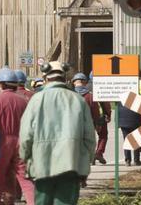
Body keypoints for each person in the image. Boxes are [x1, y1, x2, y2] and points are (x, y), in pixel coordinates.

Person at [19, 62, 95, 205]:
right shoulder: (78, 101)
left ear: (46, 78)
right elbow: (89, 137)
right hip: (71, 165)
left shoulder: (36, 100)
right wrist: (86, 163)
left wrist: (26, 159)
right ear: (65, 77)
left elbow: (26, 136)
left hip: (41, 165)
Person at [0, 68, 33, 205]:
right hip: (21, 141)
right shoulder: (24, 100)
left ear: (0, 84)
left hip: (2, 143)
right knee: (25, 179)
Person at [71, 73, 110, 165]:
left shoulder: (70, 95)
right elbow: (99, 107)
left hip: (75, 122)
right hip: (93, 120)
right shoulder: (92, 93)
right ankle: (97, 153)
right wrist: (101, 120)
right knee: (100, 136)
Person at [118, 71, 141, 166]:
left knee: (126, 138)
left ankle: (127, 160)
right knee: (137, 138)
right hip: (136, 114)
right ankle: (136, 160)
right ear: (140, 75)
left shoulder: (121, 84)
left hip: (122, 115)